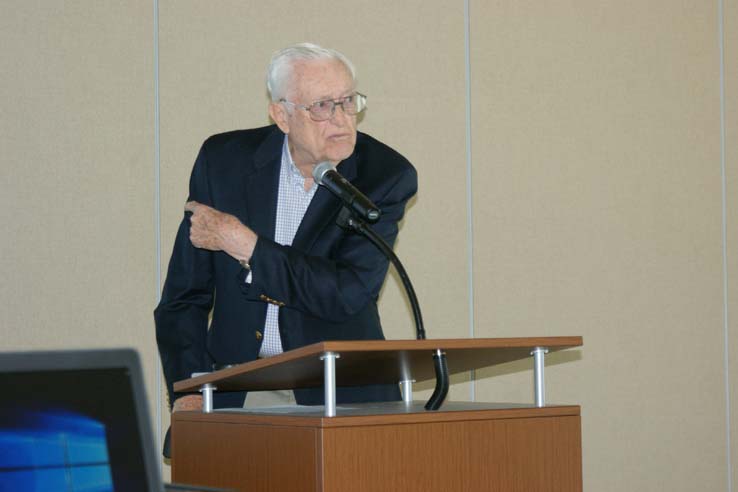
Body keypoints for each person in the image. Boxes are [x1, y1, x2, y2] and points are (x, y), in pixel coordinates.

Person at [154, 43, 417, 423]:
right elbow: (182, 298)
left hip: (341, 395)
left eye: (348, 102)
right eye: (323, 106)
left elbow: (343, 293)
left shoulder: (384, 176)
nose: (342, 120)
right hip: (240, 389)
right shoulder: (223, 161)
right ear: (282, 115)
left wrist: (245, 245)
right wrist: (190, 390)